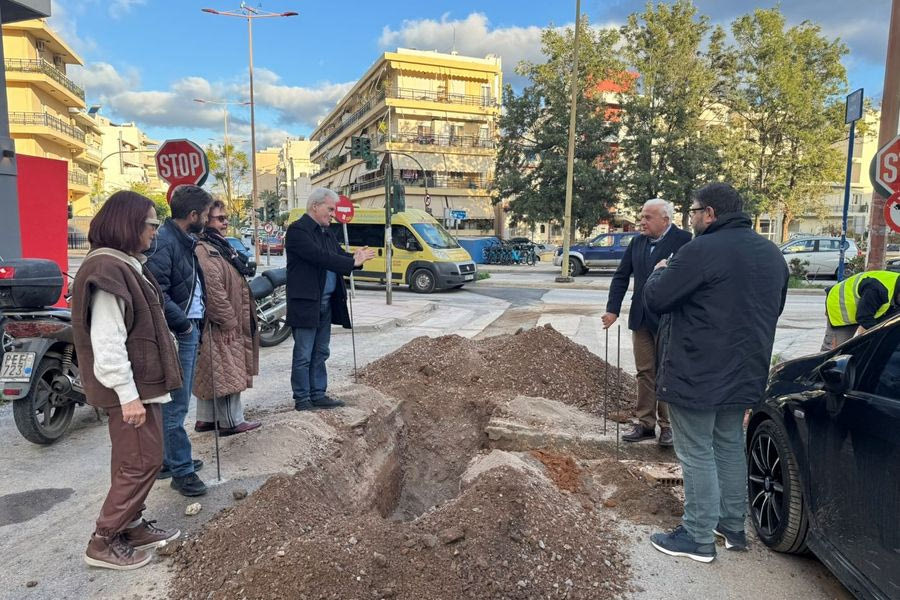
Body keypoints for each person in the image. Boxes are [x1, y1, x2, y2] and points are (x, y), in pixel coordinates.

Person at [642, 183, 789, 563]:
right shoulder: (772, 254)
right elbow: (774, 309)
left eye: (693, 211)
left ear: (709, 214)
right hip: (745, 372)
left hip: (699, 371)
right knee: (727, 444)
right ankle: (732, 527)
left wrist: (660, 271)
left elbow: (658, 299)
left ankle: (697, 536)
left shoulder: (701, 250)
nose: (690, 218)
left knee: (695, 452)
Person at [71, 191, 183, 570]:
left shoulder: (124, 263)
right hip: (131, 390)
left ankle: (131, 525)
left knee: (131, 459)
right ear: (129, 224)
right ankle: (103, 540)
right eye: (151, 223)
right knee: (141, 462)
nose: (155, 231)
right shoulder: (108, 269)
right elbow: (107, 340)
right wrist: (127, 395)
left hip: (140, 387)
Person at [602, 198, 692, 447]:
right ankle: (645, 423)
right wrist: (612, 310)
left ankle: (668, 427)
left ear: (665, 220)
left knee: (666, 371)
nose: (642, 222)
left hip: (669, 318)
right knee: (645, 372)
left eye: (647, 217)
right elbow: (621, 276)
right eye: (641, 216)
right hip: (641, 317)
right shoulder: (637, 242)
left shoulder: (685, 241)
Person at [144, 185, 212, 497]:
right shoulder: (166, 243)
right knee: (177, 403)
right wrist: (184, 326)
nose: (210, 220)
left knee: (177, 401)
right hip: (178, 332)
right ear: (194, 215)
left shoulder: (184, 240)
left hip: (188, 327)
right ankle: (181, 472)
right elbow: (158, 291)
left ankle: (170, 460)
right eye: (207, 214)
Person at [285, 187, 376, 411]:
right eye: (330, 208)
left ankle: (318, 394)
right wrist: (350, 262)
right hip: (306, 303)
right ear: (315, 206)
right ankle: (303, 398)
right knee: (304, 354)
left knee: (321, 352)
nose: (333, 214)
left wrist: (356, 258)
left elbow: (337, 255)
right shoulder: (298, 231)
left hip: (324, 304)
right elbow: (320, 257)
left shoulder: (326, 232)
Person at [192, 200, 262, 436]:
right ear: (205, 221)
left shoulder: (217, 247)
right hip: (222, 323)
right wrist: (229, 320)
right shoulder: (206, 250)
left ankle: (207, 418)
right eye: (220, 219)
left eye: (225, 218)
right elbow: (214, 291)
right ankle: (232, 421)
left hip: (225, 320)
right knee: (228, 371)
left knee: (214, 371)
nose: (225, 223)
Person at [821, 270, 900, 351]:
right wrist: (880, 334)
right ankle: (822, 362)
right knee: (835, 350)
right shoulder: (877, 289)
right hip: (840, 305)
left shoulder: (895, 289)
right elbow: (864, 317)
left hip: (866, 307)